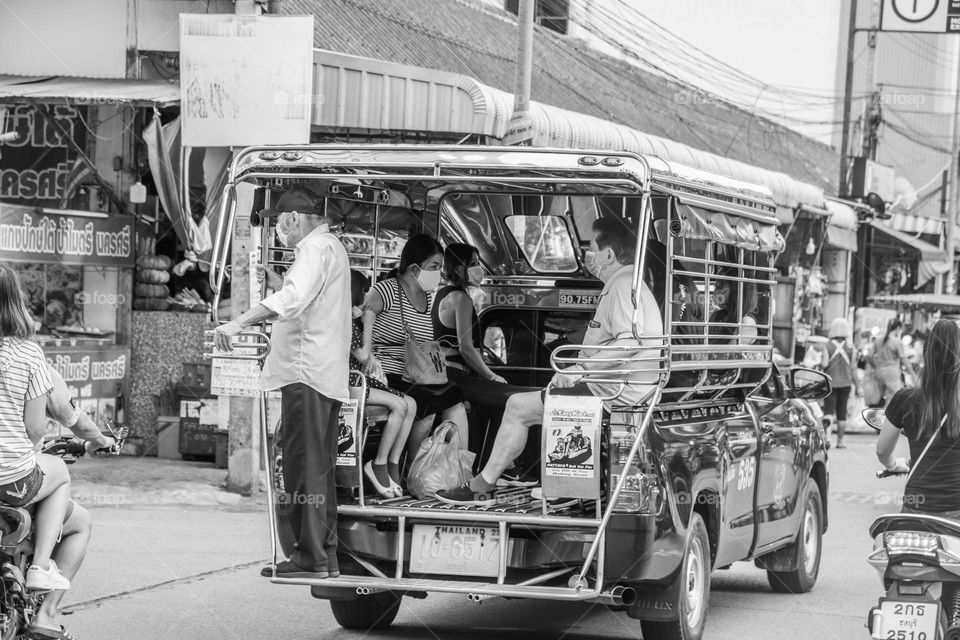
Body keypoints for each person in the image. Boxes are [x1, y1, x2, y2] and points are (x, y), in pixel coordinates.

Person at [436, 217, 663, 505]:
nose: (587, 255)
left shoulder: (622, 287)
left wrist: (579, 370)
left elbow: (630, 342)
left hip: (611, 394)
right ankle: (556, 485)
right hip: (612, 390)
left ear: (608, 254)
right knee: (530, 403)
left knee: (518, 407)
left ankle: (485, 487)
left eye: (591, 247)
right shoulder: (626, 285)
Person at [215, 186, 351, 580]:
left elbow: (293, 301)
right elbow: (302, 301)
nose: (277, 231)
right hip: (322, 375)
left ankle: (310, 558)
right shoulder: (331, 247)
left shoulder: (313, 249)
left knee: (302, 469)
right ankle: (325, 556)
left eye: (278, 223)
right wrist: (280, 284)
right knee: (318, 469)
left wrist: (239, 321)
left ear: (291, 219)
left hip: (305, 374)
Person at [432, 243, 539, 487]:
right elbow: (467, 348)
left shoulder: (440, 295)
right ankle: (505, 469)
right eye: (473, 264)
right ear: (459, 268)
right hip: (457, 376)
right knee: (514, 397)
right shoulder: (461, 299)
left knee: (501, 401)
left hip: (444, 374)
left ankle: (504, 467)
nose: (478, 269)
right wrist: (490, 376)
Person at [0, 265, 74, 596]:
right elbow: (34, 428)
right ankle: (41, 567)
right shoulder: (27, 353)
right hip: (11, 478)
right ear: (15, 299)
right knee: (60, 475)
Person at [365, 234, 469, 458]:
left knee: (455, 396)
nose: (439, 273)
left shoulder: (428, 298)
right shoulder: (384, 291)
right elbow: (358, 326)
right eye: (434, 266)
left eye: (440, 266)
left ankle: (460, 467)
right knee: (428, 402)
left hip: (417, 374)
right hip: (387, 373)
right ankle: (413, 468)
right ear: (413, 269)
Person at [876, 319, 960, 518]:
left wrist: (893, 465)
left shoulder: (904, 399)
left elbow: (882, 450)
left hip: (916, 509)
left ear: (926, 355)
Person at [349, 269, 416, 498]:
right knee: (400, 405)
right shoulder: (346, 320)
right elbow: (363, 355)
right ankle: (378, 464)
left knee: (411, 403)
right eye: (365, 291)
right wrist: (369, 320)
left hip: (359, 379)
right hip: (350, 383)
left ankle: (392, 464)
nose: (368, 295)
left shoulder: (351, 318)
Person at [823, 318, 859, 449]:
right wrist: (858, 386)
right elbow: (854, 368)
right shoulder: (850, 347)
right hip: (846, 384)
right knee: (842, 412)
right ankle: (840, 441)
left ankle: (827, 439)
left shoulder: (827, 346)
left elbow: (824, 364)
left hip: (830, 383)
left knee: (828, 411)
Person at [869, 318, 910, 405]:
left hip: (879, 373)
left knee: (881, 399)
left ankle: (879, 415)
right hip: (892, 374)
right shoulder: (897, 342)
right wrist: (913, 374)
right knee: (891, 401)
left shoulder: (878, 340)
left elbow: (869, 355)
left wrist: (875, 366)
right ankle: (885, 417)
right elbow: (904, 360)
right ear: (898, 328)